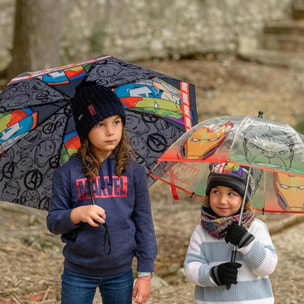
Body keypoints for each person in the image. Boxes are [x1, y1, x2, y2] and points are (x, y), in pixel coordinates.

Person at [46, 81, 157, 304]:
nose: (111, 131)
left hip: (120, 272)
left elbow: (144, 221)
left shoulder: (133, 171)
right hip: (78, 272)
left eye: (116, 122)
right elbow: (53, 222)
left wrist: (145, 273)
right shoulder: (67, 173)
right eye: (100, 124)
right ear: (85, 129)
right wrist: (76, 214)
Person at [184, 162, 278, 304]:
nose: (222, 200)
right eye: (216, 192)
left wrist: (246, 242)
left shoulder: (255, 228)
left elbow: (268, 267)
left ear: (244, 199)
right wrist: (214, 274)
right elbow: (191, 269)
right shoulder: (201, 231)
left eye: (231, 194)